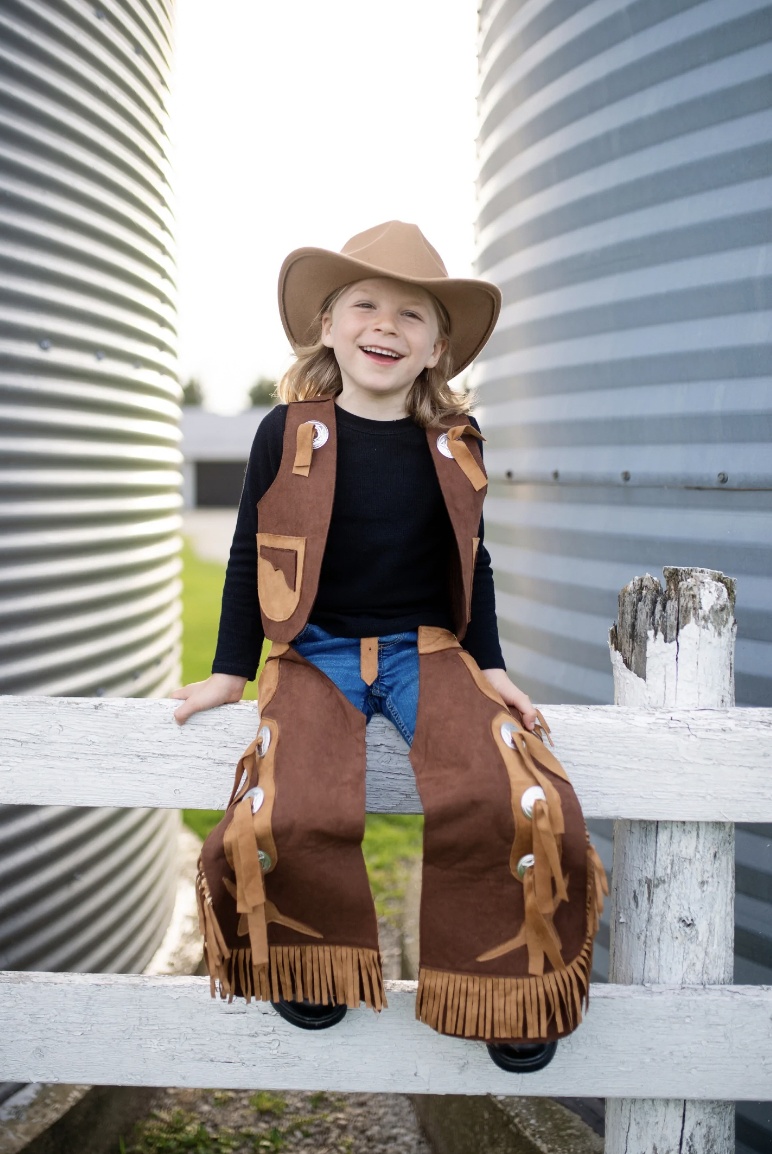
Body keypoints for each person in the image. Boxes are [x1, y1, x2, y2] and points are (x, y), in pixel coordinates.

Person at [172, 222, 606, 1073]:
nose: (387, 325)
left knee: (506, 792)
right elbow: (246, 552)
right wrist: (232, 671)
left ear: (438, 346)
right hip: (315, 648)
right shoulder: (287, 433)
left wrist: (492, 667)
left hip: (426, 649)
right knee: (290, 804)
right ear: (328, 325)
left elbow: (470, 561)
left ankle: (507, 988)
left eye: (413, 315)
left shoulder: (455, 441)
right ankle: (313, 960)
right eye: (365, 305)